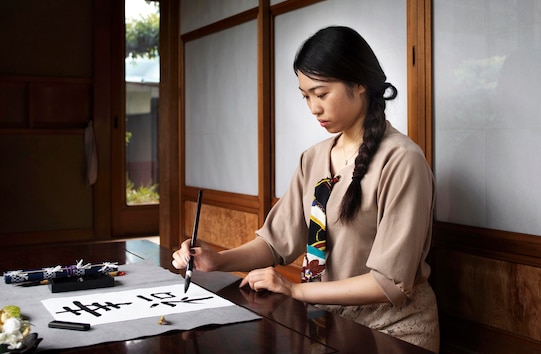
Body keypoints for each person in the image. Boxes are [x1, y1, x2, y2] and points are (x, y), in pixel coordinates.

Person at [172, 26, 439, 352]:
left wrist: (295, 290)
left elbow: (389, 283)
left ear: (359, 84)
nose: (313, 107)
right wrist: (216, 260)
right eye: (306, 96)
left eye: (321, 93)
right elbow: (276, 243)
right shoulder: (313, 158)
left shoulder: (402, 161)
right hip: (326, 323)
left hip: (392, 331)